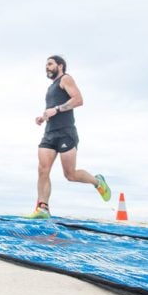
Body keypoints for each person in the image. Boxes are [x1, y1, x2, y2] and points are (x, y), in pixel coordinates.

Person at [26, 55, 112, 219]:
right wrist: (43, 117)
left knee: (70, 174)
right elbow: (52, 109)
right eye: (46, 65)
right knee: (43, 169)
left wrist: (56, 109)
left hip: (66, 132)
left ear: (60, 66)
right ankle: (43, 208)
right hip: (49, 133)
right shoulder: (50, 88)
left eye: (50, 64)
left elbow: (78, 100)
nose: (47, 67)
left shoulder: (66, 79)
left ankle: (97, 181)